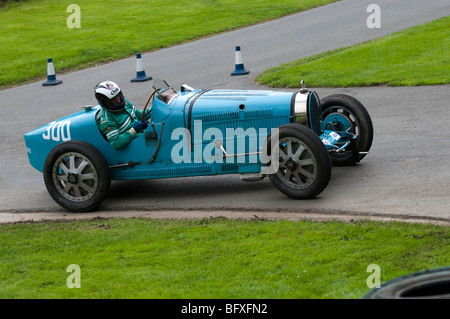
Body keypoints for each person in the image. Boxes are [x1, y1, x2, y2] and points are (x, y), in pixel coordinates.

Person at [95, 81, 151, 150]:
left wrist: (154, 110)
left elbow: (138, 114)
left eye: (118, 95)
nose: (118, 100)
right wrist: (134, 130)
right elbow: (116, 143)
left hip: (144, 135)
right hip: (134, 145)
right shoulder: (106, 120)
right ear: (105, 102)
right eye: (113, 99)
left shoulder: (124, 102)